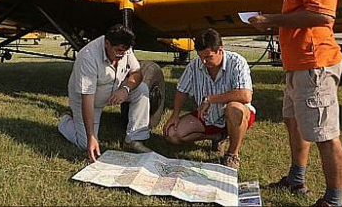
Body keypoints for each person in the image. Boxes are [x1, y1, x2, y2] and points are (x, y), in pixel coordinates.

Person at [248, 0, 342, 207]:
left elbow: (323, 16)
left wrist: (271, 19)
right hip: (297, 64)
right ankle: (297, 177)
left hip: (314, 64)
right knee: (294, 123)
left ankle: (333, 200)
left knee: (324, 134)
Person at [162, 28, 256, 171]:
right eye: (200, 57)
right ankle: (217, 136)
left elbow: (245, 95)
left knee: (234, 108)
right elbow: (182, 90)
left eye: (208, 57)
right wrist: (175, 115)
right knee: (172, 134)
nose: (204, 61)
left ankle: (232, 154)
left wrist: (210, 99)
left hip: (235, 114)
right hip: (208, 117)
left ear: (220, 50)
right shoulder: (194, 66)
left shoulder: (237, 62)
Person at [58, 24, 152, 161]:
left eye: (125, 52)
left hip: (115, 90)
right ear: (107, 43)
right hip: (89, 100)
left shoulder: (125, 49)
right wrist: (91, 137)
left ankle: (134, 139)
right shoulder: (88, 57)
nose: (122, 55)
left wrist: (125, 90)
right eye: (118, 51)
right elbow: (87, 100)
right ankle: (65, 121)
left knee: (142, 89)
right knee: (85, 144)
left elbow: (137, 73)